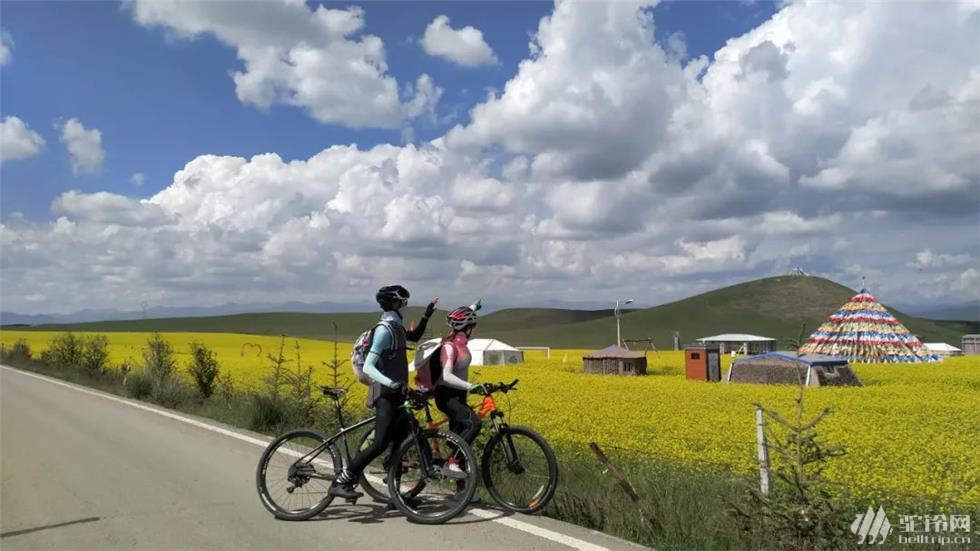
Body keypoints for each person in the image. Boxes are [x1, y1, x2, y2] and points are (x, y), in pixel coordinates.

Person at [329, 285, 438, 500]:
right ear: (395, 305)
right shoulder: (383, 330)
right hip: (385, 393)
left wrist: (426, 315)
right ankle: (343, 479)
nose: (406, 306)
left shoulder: (396, 328)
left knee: (402, 438)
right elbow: (369, 366)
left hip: (397, 392)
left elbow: (414, 337)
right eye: (404, 303)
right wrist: (391, 383)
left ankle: (395, 496)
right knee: (380, 442)